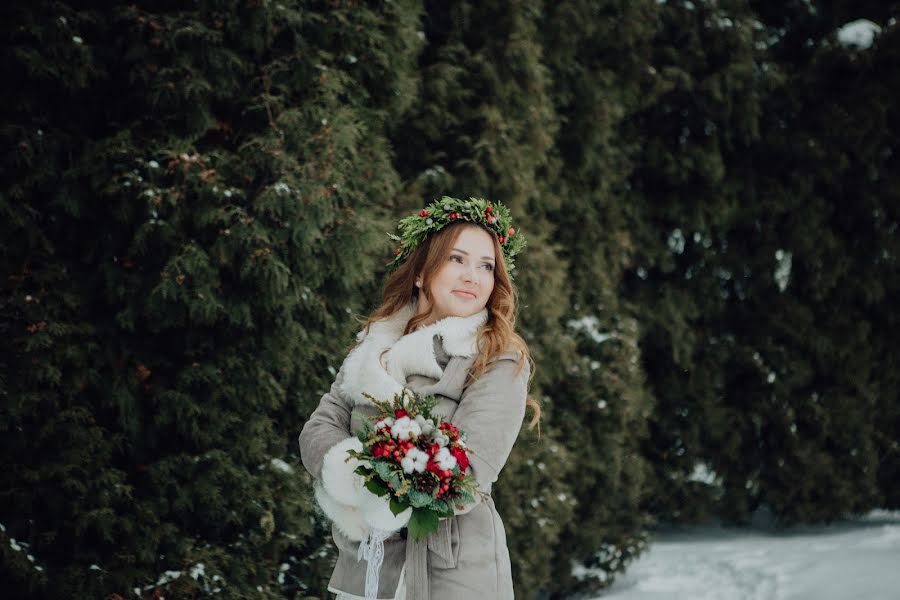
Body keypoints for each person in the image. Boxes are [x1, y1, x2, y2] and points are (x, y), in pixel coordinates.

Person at [299, 196, 538, 600]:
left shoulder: (498, 357)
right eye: (457, 259)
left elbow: (469, 473)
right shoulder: (373, 349)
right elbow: (319, 429)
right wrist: (351, 479)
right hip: (366, 572)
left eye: (485, 266)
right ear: (421, 272)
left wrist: (380, 481)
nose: (473, 276)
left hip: (452, 577)